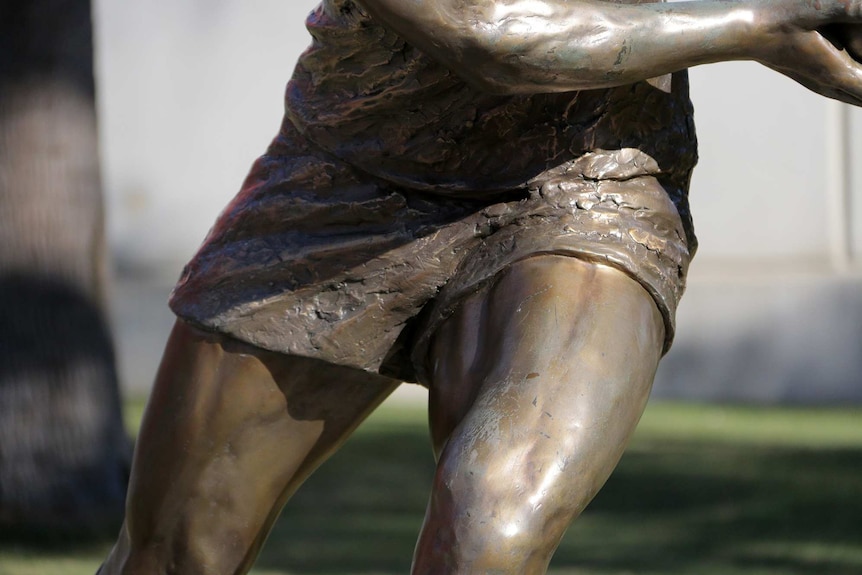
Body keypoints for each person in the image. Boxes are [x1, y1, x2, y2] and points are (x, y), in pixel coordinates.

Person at [100, 1, 862, 573]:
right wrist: (759, 29)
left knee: (490, 523)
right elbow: (485, 32)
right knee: (174, 553)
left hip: (587, 176)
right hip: (346, 173)